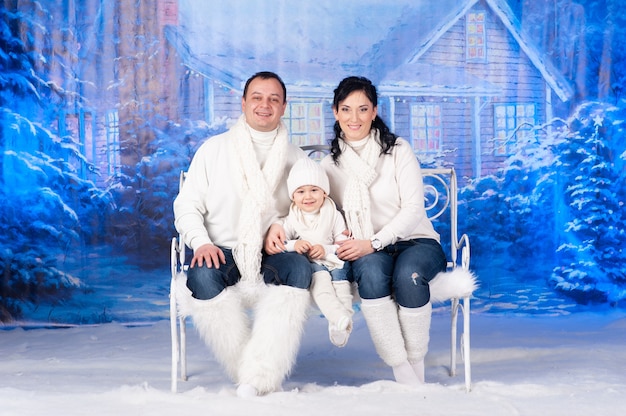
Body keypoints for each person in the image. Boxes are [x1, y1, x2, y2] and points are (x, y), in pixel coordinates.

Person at [173, 71, 312, 398]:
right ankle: (252, 373)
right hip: (220, 249)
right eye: (257, 98)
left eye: (274, 99)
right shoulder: (214, 149)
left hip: (272, 252)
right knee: (202, 279)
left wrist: (282, 225)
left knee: (299, 269)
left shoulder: (295, 157)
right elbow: (187, 205)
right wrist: (200, 241)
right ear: (244, 103)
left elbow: (311, 207)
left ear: (283, 107)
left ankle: (259, 374)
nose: (265, 105)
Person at [320, 76, 447, 385]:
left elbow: (413, 209)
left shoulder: (398, 150)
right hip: (366, 248)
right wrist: (344, 239)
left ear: (374, 111)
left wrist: (374, 241)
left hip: (415, 241)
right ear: (336, 112)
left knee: (409, 276)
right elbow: (328, 215)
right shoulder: (329, 165)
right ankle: (400, 366)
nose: (354, 118)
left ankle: (415, 365)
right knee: (373, 276)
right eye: (346, 109)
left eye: (362, 109)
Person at [281, 157, 354, 347]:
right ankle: (338, 317)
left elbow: (343, 242)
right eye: (301, 191)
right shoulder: (292, 218)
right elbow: (282, 242)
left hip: (334, 258)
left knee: (342, 285)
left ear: (324, 192)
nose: (308, 196)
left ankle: (340, 322)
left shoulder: (333, 213)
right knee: (321, 287)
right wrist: (294, 245)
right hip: (312, 264)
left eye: (314, 190)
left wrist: (326, 249)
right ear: (293, 196)